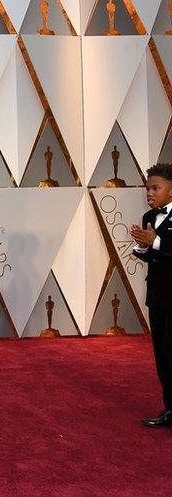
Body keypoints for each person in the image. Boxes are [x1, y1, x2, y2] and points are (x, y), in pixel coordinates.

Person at [131, 163, 172, 428]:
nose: (150, 193)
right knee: (163, 355)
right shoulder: (149, 216)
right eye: (148, 188)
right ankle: (170, 410)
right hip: (157, 296)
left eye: (155, 188)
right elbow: (151, 256)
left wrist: (155, 241)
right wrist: (142, 245)